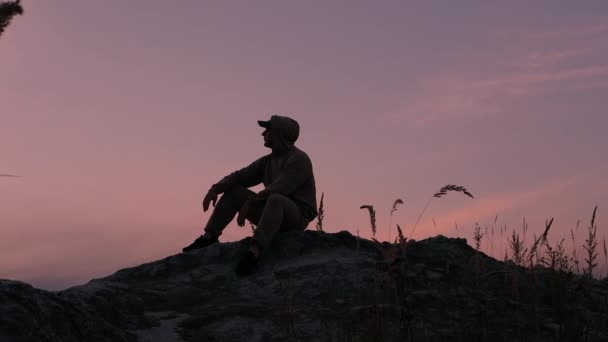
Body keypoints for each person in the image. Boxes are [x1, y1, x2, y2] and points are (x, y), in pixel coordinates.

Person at [182, 115, 318, 276]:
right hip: (270, 210)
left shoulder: (299, 159)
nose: (263, 134)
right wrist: (215, 189)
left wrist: (250, 203)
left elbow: (280, 187)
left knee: (276, 199)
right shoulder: (267, 161)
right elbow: (240, 176)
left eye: (268, 129)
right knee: (234, 192)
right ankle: (209, 237)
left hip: (295, 217)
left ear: (279, 133)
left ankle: (254, 252)